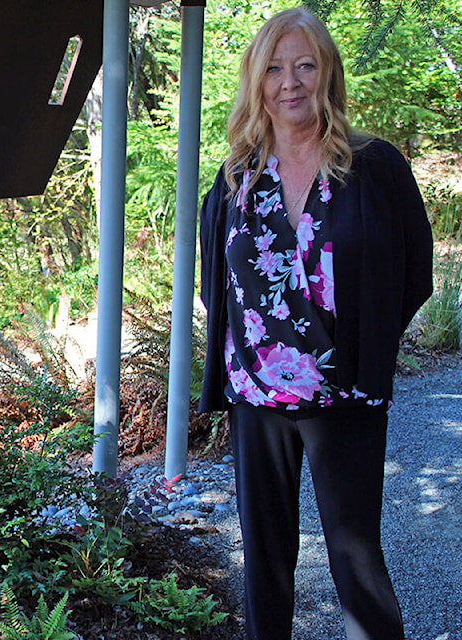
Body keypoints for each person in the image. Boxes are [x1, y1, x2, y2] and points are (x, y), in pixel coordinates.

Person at [198, 7, 433, 640]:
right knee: (265, 561)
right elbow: (214, 287)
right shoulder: (232, 182)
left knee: (356, 558)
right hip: (257, 398)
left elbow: (416, 274)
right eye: (274, 68)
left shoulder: (374, 166)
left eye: (305, 66)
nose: (290, 82)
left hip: (345, 393)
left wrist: (364, 348)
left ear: (327, 74)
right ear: (256, 80)